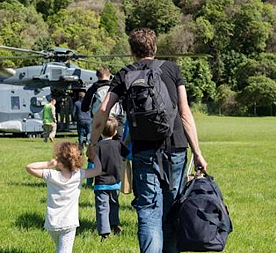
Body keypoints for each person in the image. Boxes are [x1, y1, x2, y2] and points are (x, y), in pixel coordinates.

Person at [87, 28, 208, 253]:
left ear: (132, 51)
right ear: (155, 48)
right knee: (172, 211)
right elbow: (185, 113)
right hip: (176, 147)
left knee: (149, 212)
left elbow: (103, 110)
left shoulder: (124, 74)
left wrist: (93, 145)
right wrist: (198, 152)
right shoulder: (172, 69)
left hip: (144, 150)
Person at [26, 142, 103, 253]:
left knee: (60, 249)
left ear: (59, 159)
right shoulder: (79, 175)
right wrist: (95, 157)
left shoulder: (51, 175)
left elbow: (29, 167)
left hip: (52, 222)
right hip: (69, 223)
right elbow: (98, 170)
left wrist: (48, 164)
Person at [93, 117, 130, 241]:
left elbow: (92, 164)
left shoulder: (97, 147)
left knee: (102, 207)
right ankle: (115, 224)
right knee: (114, 204)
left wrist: (88, 180)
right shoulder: (119, 145)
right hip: (115, 182)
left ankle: (104, 232)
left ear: (100, 132)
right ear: (115, 132)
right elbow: (128, 154)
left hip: (101, 184)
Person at [81, 67, 125, 140]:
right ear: (109, 75)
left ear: (97, 76)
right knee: (120, 146)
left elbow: (84, 108)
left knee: (98, 146)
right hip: (116, 121)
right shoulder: (115, 87)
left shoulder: (92, 89)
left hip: (99, 121)